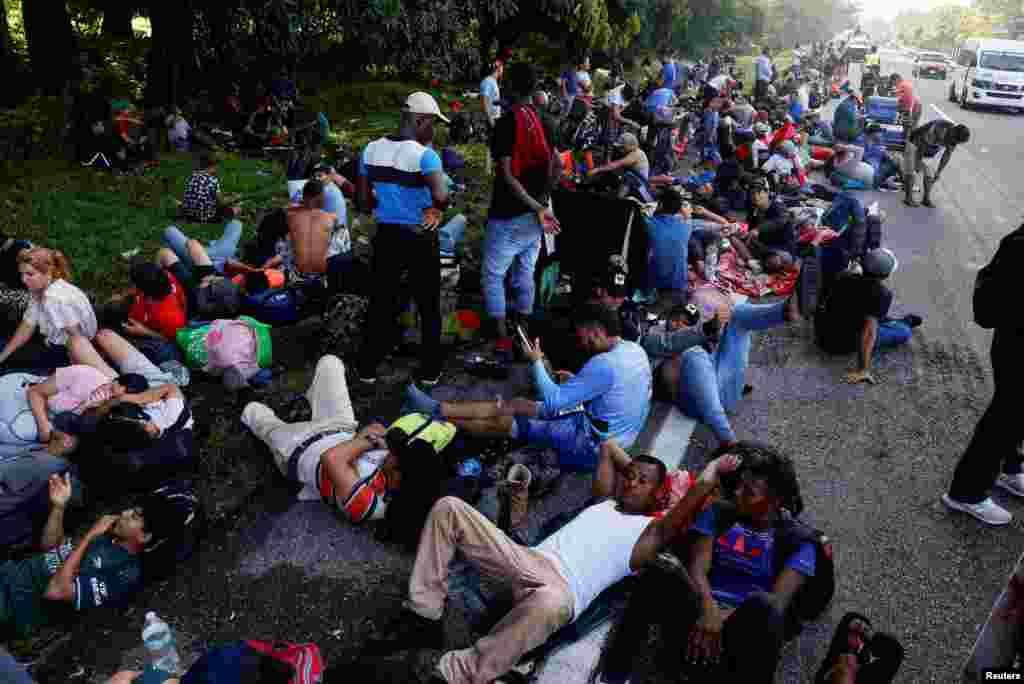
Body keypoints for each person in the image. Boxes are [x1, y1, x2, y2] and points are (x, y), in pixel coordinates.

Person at [354, 448, 741, 684]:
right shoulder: (603, 502)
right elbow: (608, 448)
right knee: (449, 509)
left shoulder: (650, 533)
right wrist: (640, 474)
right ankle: (423, 614)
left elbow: (684, 510)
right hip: (527, 561)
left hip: (560, 592)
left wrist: (706, 475)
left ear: (660, 494)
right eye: (628, 476)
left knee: (550, 602)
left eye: (641, 481)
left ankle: (456, 674)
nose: (629, 482)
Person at [598, 442, 813, 684]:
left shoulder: (800, 541)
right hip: (699, 610)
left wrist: (718, 622)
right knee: (660, 567)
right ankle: (614, 674)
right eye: (740, 485)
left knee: (765, 607)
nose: (738, 493)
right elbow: (698, 568)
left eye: (749, 491)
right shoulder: (720, 512)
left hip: (739, 633)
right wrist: (708, 609)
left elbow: (779, 602)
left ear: (774, 502)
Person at [404, 303, 652, 472]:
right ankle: (440, 409)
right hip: (618, 437)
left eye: (582, 335)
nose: (580, 341)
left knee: (508, 421)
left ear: (596, 331)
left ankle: (433, 414)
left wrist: (535, 361)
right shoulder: (634, 350)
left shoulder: (604, 364)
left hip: (594, 446)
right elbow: (612, 392)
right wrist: (578, 382)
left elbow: (553, 400)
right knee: (517, 405)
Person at [243, 354, 455, 523]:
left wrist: (368, 441)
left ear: (400, 478)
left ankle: (248, 397)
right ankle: (309, 400)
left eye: (398, 455)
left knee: (253, 410)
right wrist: (363, 442)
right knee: (330, 363)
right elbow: (370, 431)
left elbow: (332, 458)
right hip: (338, 428)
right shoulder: (393, 469)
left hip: (297, 448)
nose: (392, 452)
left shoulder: (372, 506)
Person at [0, 473, 178, 639]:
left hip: (15, 603)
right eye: (130, 509)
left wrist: (90, 535)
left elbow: (56, 591)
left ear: (144, 536)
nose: (124, 513)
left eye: (134, 516)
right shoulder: (108, 534)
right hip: (11, 572)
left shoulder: (126, 573)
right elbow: (50, 548)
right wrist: (59, 507)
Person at [355, 92, 451, 385]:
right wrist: (437, 209)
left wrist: (383, 203)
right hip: (420, 236)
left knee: (381, 299)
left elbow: (361, 202)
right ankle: (430, 369)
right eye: (432, 123)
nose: (433, 130)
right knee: (428, 303)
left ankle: (368, 367)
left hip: (386, 236)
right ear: (420, 120)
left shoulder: (370, 150)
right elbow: (441, 195)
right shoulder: (425, 155)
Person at [643, 284, 804, 448]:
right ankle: (729, 441)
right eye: (675, 319)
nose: (678, 324)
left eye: (685, 323)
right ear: (667, 318)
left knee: (737, 315)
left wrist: (717, 328)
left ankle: (784, 311)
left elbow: (709, 341)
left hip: (724, 388)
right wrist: (705, 331)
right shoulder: (655, 337)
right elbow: (669, 344)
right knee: (693, 354)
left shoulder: (697, 337)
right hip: (695, 404)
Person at [943, 223, 1024, 526]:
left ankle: (1011, 468)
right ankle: (967, 492)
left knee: (1014, 416)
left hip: (1013, 339)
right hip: (1017, 342)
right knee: (1005, 417)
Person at [480, 63, 561, 355]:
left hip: (508, 213)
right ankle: (523, 330)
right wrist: (542, 200)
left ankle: (502, 338)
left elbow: (506, 174)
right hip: (535, 216)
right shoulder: (548, 122)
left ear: (511, 87)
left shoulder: (506, 123)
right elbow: (559, 165)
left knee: (493, 275)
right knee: (525, 270)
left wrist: (533, 204)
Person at [814, 248, 922, 385]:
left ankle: (894, 322)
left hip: (823, 332)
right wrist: (863, 369)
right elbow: (869, 333)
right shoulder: (882, 294)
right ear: (885, 275)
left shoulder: (844, 276)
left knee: (872, 315)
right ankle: (900, 324)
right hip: (840, 344)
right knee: (904, 332)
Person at [0, 248, 113, 376]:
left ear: (48, 273)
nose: (23, 279)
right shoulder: (41, 289)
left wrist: (74, 374)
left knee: (11, 371)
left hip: (65, 353)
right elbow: (28, 324)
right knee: (6, 349)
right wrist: (3, 355)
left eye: (29, 274)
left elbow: (76, 339)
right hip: (55, 342)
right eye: (22, 274)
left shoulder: (54, 299)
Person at [645, 190, 730, 298]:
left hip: (656, 282)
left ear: (660, 205)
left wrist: (704, 212)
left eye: (688, 206)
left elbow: (725, 225)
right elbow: (724, 224)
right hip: (679, 282)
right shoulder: (687, 224)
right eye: (683, 205)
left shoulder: (650, 224)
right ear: (679, 209)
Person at [903, 120, 970, 208]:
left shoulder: (955, 138)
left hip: (930, 149)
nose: (955, 143)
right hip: (915, 143)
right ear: (953, 133)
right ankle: (908, 198)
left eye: (957, 142)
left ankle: (926, 199)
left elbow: (947, 154)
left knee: (930, 175)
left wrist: (939, 172)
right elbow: (922, 146)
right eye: (955, 140)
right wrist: (918, 163)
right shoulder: (938, 129)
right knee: (912, 172)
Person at [179, 151, 240, 225]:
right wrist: (234, 198)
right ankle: (235, 218)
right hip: (205, 217)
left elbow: (204, 192)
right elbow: (221, 202)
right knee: (236, 208)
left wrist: (226, 194)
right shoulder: (212, 180)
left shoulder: (193, 176)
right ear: (215, 165)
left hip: (188, 214)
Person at [480, 60, 504, 131]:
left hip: (496, 118)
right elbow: (484, 102)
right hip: (491, 120)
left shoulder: (493, 82)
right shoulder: (488, 81)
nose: (503, 71)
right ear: (498, 68)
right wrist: (491, 121)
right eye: (502, 68)